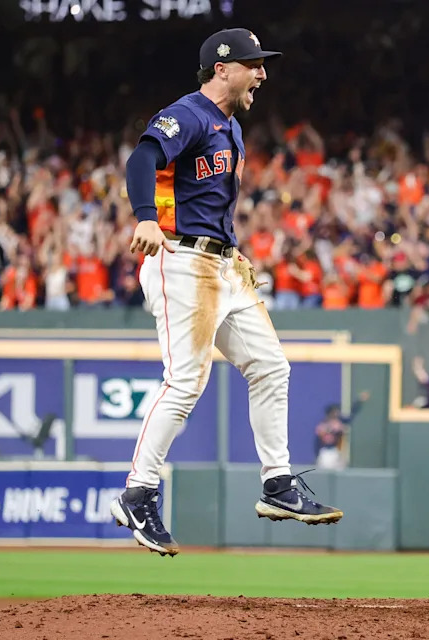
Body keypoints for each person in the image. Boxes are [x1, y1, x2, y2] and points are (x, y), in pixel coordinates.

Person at [110, 28, 344, 557]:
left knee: (271, 367)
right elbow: (142, 160)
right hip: (179, 258)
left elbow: (206, 199)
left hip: (220, 263)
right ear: (222, 69)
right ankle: (138, 492)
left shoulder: (231, 128)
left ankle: (277, 485)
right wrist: (146, 217)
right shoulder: (189, 113)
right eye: (253, 64)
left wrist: (232, 250)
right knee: (187, 381)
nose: (262, 73)